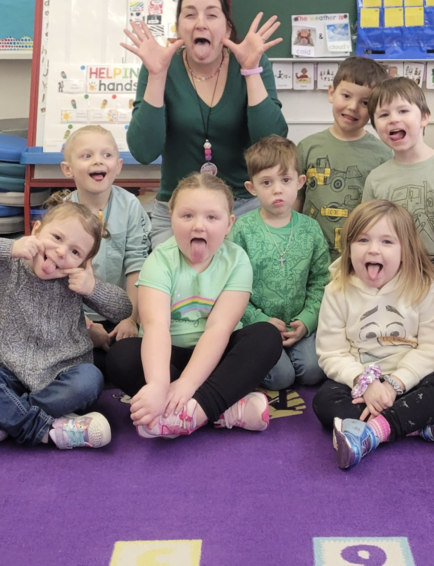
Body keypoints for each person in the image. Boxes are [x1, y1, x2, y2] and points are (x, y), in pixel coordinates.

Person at [106, 173, 282, 439]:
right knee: (120, 357)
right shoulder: (159, 260)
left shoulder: (237, 261)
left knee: (266, 336)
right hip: (167, 356)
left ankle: (192, 414)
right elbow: (156, 327)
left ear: (228, 224)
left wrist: (188, 384)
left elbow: (219, 329)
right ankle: (227, 409)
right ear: (171, 217)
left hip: (216, 355)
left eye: (211, 217)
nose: (198, 226)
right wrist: (157, 384)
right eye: (187, 216)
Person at [0, 202, 132, 452]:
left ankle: (1, 423)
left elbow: (123, 309)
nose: (61, 252)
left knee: (90, 379)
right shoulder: (6, 266)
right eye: (56, 237)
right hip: (8, 377)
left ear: (84, 263)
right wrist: (10, 246)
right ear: (36, 231)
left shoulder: (75, 281)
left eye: (75, 252)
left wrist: (93, 288)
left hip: (62, 378)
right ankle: (51, 432)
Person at [122, 0, 286, 248]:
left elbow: (272, 144)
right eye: (189, 14)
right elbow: (143, 151)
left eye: (211, 14)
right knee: (176, 287)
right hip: (178, 209)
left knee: (242, 285)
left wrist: (250, 71)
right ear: (178, 28)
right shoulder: (159, 66)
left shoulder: (252, 63)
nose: (200, 23)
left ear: (228, 27)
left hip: (241, 207)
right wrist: (156, 76)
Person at [313, 200, 434, 470]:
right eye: (362, 240)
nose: (373, 249)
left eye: (387, 242)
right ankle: (423, 427)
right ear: (349, 248)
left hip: (410, 383)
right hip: (360, 386)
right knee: (324, 402)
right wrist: (366, 383)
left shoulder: (423, 287)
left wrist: (395, 384)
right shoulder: (337, 290)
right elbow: (331, 353)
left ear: (405, 251)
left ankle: (373, 432)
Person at [362, 77, 434, 375]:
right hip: (396, 288)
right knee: (404, 347)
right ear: (375, 126)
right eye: (384, 115)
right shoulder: (376, 179)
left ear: (424, 117)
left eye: (403, 111)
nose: (393, 120)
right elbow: (366, 238)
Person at [229, 136, 330, 391]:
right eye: (266, 182)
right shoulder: (242, 230)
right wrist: (259, 320)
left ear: (300, 182)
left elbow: (321, 280)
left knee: (313, 371)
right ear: (252, 188)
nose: (277, 189)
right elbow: (231, 286)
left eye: (285, 180)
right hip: (259, 327)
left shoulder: (311, 229)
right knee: (281, 378)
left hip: (299, 324)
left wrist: (307, 320)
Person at [56, 125, 151, 378]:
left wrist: (130, 319)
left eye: (106, 155)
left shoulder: (131, 207)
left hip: (122, 315)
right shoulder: (61, 215)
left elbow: (137, 266)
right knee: (70, 365)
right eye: (87, 156)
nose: (98, 160)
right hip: (76, 319)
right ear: (68, 169)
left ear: (118, 166)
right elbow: (54, 280)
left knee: (133, 361)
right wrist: (85, 326)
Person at [295, 56, 392, 260]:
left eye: (365, 102)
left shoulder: (382, 154)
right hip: (310, 254)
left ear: (375, 108)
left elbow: (384, 211)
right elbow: (296, 199)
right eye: (346, 96)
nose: (353, 107)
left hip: (358, 257)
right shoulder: (307, 147)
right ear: (332, 93)